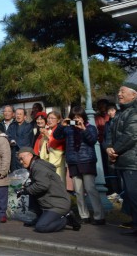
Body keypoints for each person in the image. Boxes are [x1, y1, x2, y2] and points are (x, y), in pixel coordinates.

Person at [54, 106, 105, 225]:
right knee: (78, 190)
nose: (76, 119)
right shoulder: (68, 129)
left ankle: (99, 216)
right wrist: (62, 125)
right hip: (73, 161)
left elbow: (92, 140)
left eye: (79, 117)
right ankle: (84, 215)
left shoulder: (90, 127)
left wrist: (83, 129)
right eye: (74, 117)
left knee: (90, 188)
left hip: (87, 161)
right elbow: (57, 136)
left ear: (83, 117)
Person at [16, 147, 80, 233]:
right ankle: (39, 217)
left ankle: (66, 219)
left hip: (58, 205)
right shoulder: (36, 165)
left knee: (41, 227)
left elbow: (42, 185)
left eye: (22, 158)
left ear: (30, 155)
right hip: (50, 203)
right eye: (19, 159)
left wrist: (26, 190)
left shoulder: (38, 167)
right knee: (30, 191)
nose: (21, 162)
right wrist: (25, 189)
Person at [106, 84, 137, 235]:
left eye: (122, 92)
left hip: (132, 161)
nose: (119, 94)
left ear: (134, 95)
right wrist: (108, 147)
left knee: (133, 192)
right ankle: (134, 221)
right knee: (128, 194)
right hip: (121, 160)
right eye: (119, 91)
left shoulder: (134, 112)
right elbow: (109, 134)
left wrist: (114, 150)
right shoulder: (119, 113)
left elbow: (131, 135)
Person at [33, 112, 66, 183]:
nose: (50, 120)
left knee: (58, 181)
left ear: (58, 120)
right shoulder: (46, 130)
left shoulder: (60, 130)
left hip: (57, 162)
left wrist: (47, 135)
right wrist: (43, 136)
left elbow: (57, 144)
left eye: (52, 118)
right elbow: (39, 147)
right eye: (48, 118)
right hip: (46, 161)